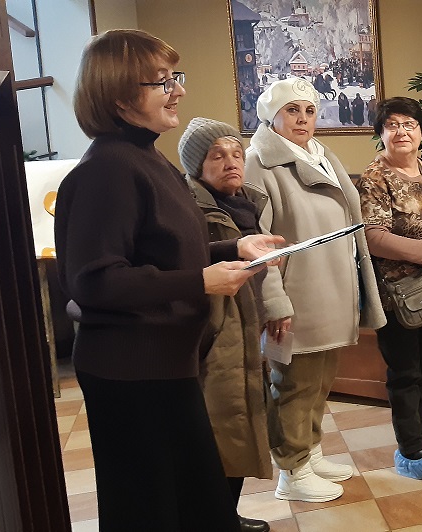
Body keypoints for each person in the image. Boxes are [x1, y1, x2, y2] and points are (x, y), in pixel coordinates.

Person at [56, 29, 282, 530]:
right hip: (132, 371)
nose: (178, 90)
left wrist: (234, 249)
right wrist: (200, 282)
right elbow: (94, 281)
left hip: (166, 364)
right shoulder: (108, 169)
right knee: (151, 510)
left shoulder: (146, 157)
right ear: (120, 97)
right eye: (162, 81)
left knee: (193, 505)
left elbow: (163, 251)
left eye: (174, 77)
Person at [245, 77, 387, 503]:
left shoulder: (321, 155)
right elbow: (257, 240)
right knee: (293, 384)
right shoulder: (259, 163)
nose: (303, 118)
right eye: (292, 110)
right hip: (298, 293)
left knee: (320, 380)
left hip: (331, 287)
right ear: (272, 116)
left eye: (309, 110)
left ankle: (311, 452)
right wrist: (274, 300)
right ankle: (292, 469)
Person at [177, 117, 275, 532]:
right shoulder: (187, 206)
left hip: (247, 327)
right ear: (197, 165)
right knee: (217, 431)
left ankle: (224, 516)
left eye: (237, 153)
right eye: (217, 155)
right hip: (212, 333)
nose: (231, 161)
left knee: (238, 427)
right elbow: (182, 261)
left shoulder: (249, 203)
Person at [359, 97, 422, 480]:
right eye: (392, 125)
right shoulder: (375, 178)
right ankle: (410, 449)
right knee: (405, 371)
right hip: (398, 293)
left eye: (409, 124)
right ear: (381, 132)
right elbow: (374, 238)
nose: (401, 132)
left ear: (421, 132)